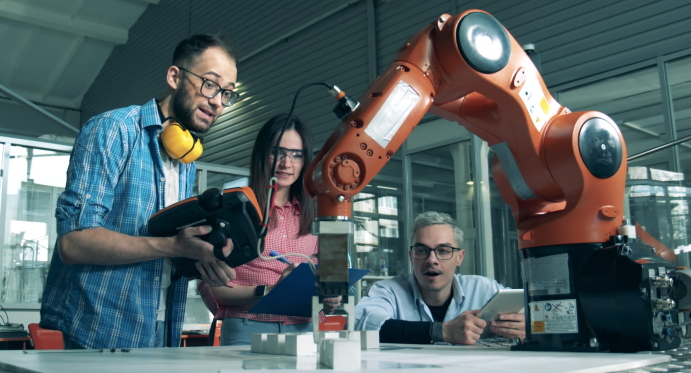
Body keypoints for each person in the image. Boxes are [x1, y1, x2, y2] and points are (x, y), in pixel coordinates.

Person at [40, 33, 240, 349]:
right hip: (95, 336)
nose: (217, 101)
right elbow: (73, 243)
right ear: (175, 77)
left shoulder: (184, 160)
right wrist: (174, 246)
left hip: (162, 332)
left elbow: (168, 250)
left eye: (227, 93)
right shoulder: (114, 130)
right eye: (210, 84)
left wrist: (204, 260)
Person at [198, 114, 341, 345]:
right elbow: (211, 287)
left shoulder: (317, 215)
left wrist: (331, 295)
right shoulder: (235, 209)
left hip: (305, 328)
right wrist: (269, 290)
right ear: (262, 154)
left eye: (297, 155)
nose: (287, 163)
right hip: (248, 328)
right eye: (278, 152)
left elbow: (332, 276)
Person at [355, 211, 526, 345]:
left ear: (460, 257)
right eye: (422, 251)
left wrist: (528, 327)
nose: (431, 260)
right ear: (411, 256)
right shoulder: (387, 291)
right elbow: (362, 327)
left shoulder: (485, 289)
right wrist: (441, 332)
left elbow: (535, 315)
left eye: (443, 251)